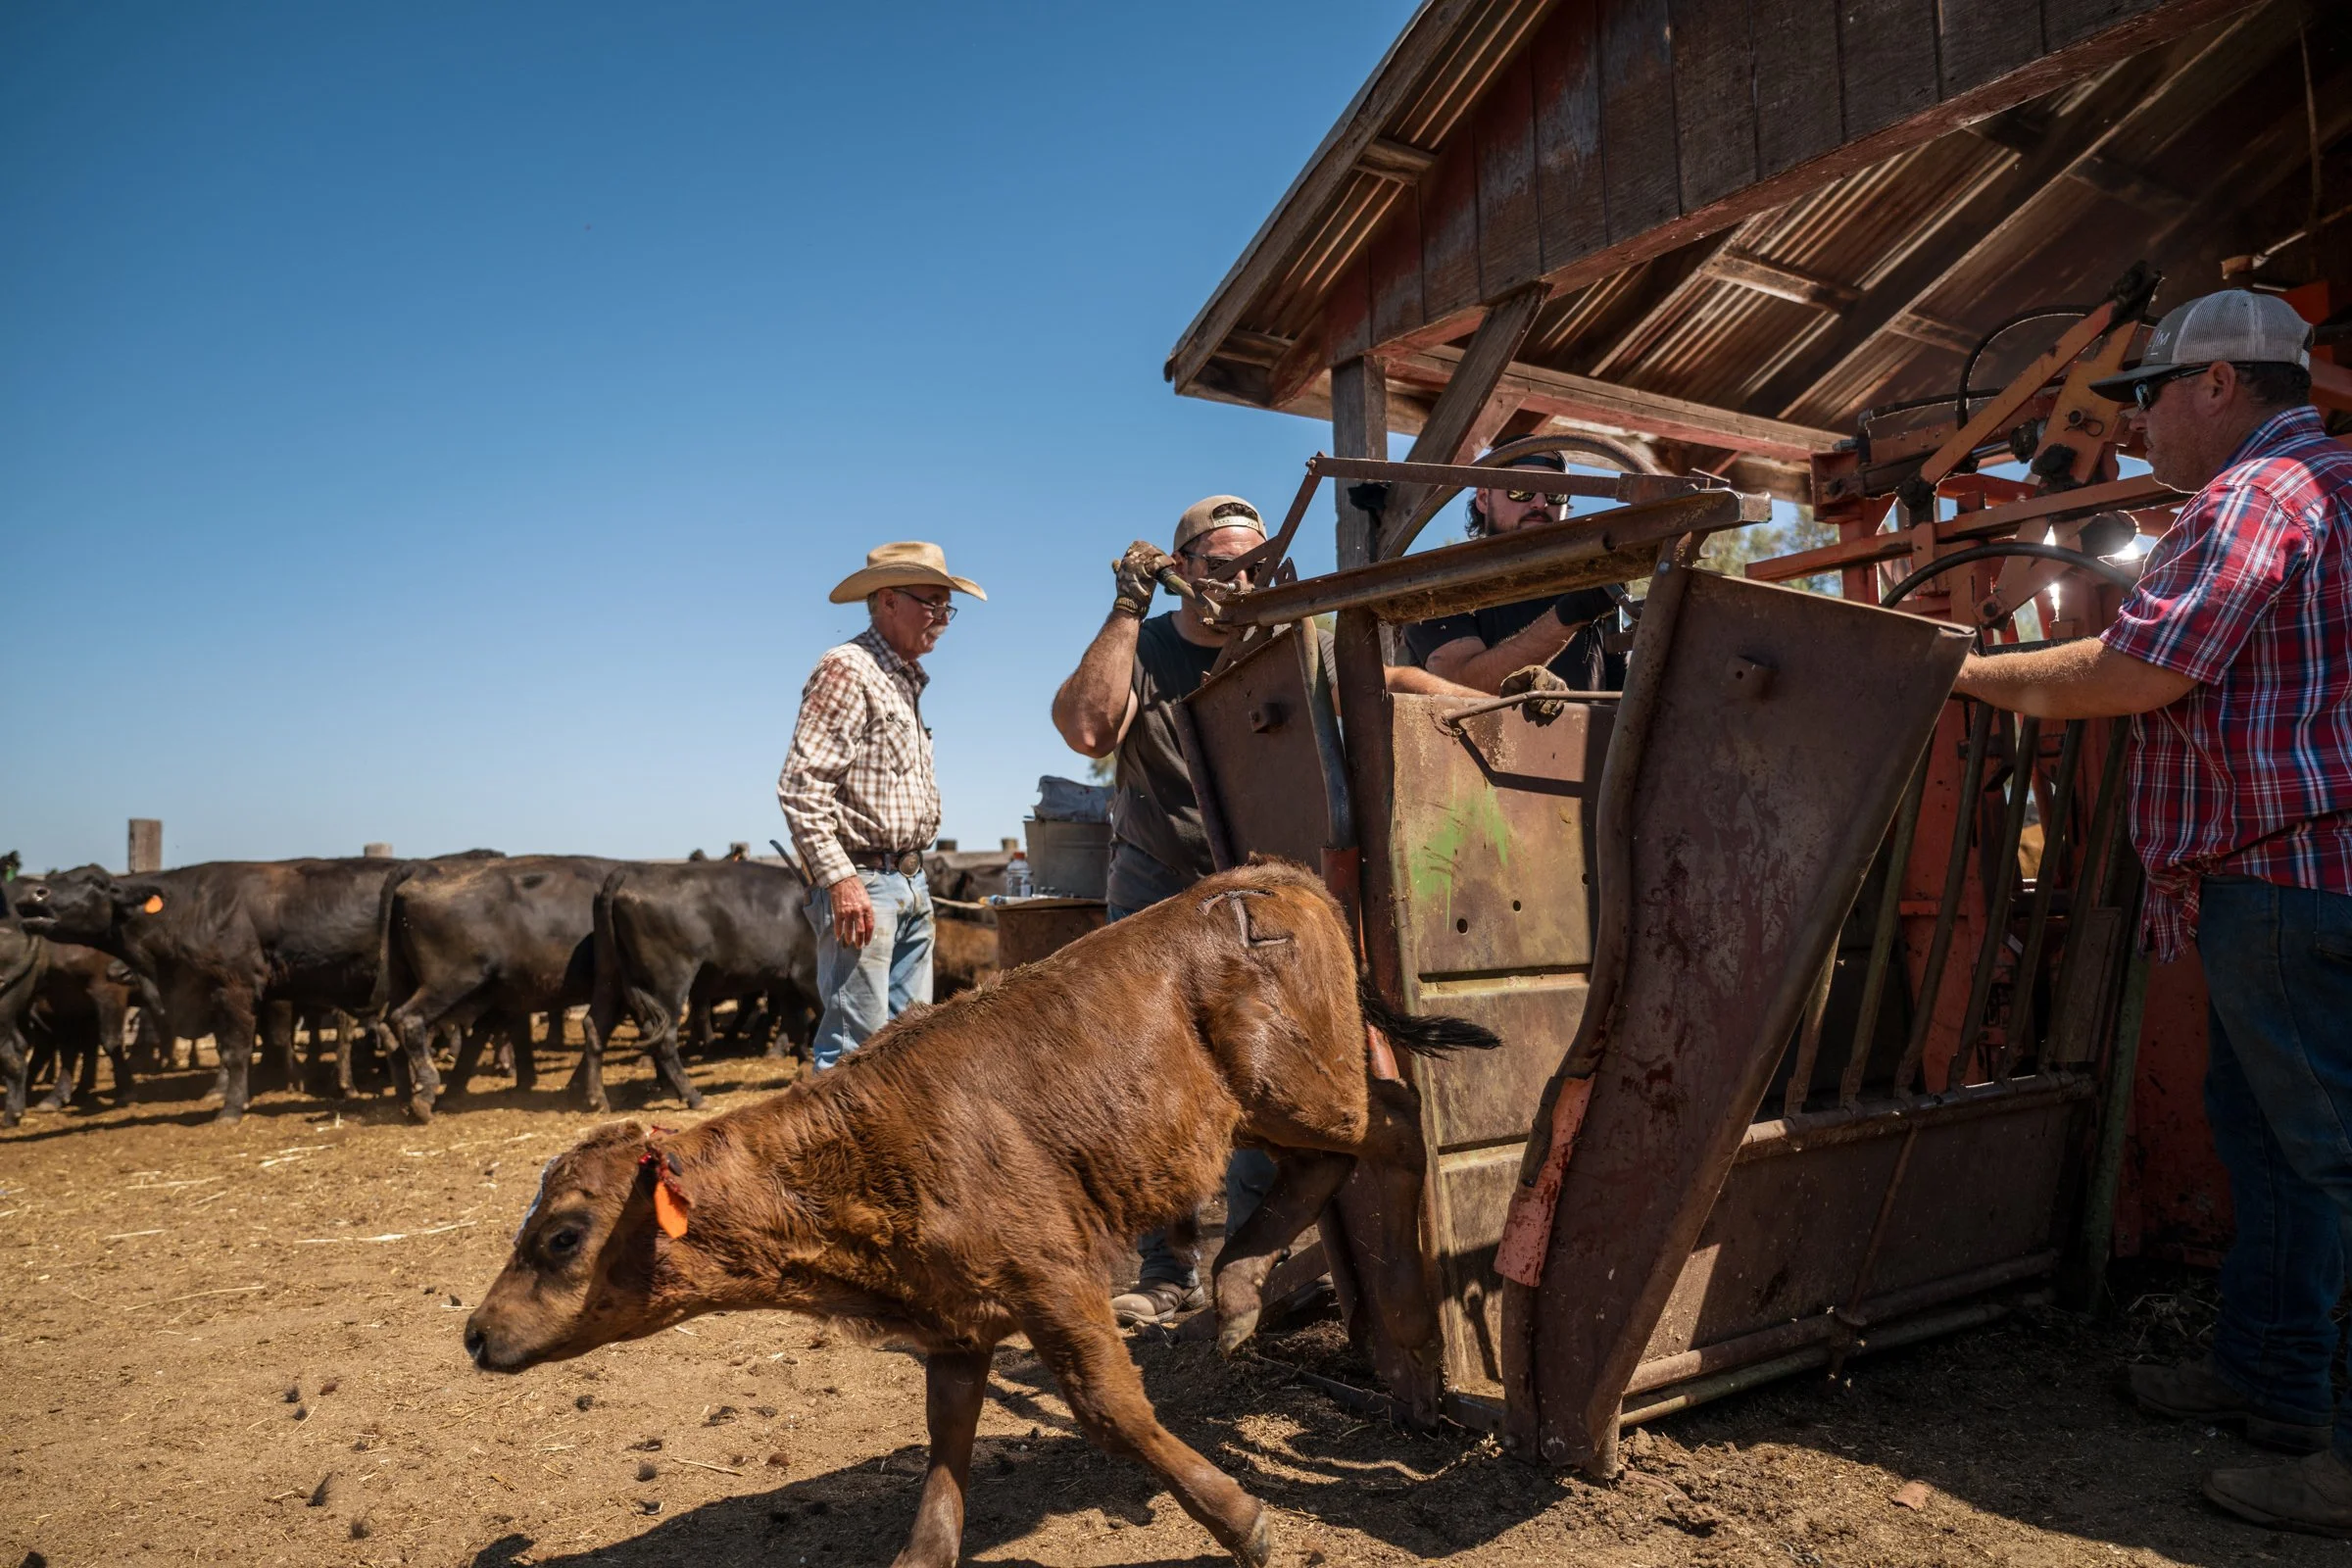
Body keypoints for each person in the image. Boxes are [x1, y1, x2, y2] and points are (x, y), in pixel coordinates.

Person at [1949, 289, 2352, 1535]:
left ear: (2219, 386)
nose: (2139, 433)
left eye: (2151, 400)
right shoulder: (2332, 482)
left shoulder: (2257, 497)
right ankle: (2272, 1383)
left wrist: (1952, 671)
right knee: (2270, 1138)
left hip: (2290, 876)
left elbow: (2143, 667)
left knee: (2329, 1155)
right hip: (2283, 877)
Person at [1054, 496, 1476, 1325]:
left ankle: (1251, 1273)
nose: (1244, 581)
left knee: (1267, 1071)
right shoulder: (1149, 649)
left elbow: (1390, 683)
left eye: (1259, 565)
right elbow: (1089, 729)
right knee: (1145, 1082)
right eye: (1222, 566)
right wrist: (1126, 609)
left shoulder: (1288, 652)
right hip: (1159, 890)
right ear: (1180, 572)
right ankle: (1163, 1270)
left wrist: (1485, 702)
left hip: (1254, 896)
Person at [779, 541, 985, 1073]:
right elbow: (801, 787)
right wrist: (841, 880)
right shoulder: (849, 669)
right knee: (855, 1050)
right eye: (932, 603)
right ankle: (840, 1157)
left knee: (911, 1046)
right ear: (888, 600)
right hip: (865, 882)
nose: (942, 618)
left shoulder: (900, 679)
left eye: (947, 606)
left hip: (908, 880)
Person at [1402, 445, 1630, 695]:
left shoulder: (1589, 584)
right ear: (1483, 498)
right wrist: (1570, 615)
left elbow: (1621, 695)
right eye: (1521, 490)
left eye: (1556, 494)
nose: (1541, 503)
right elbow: (1460, 687)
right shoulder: (1440, 584)